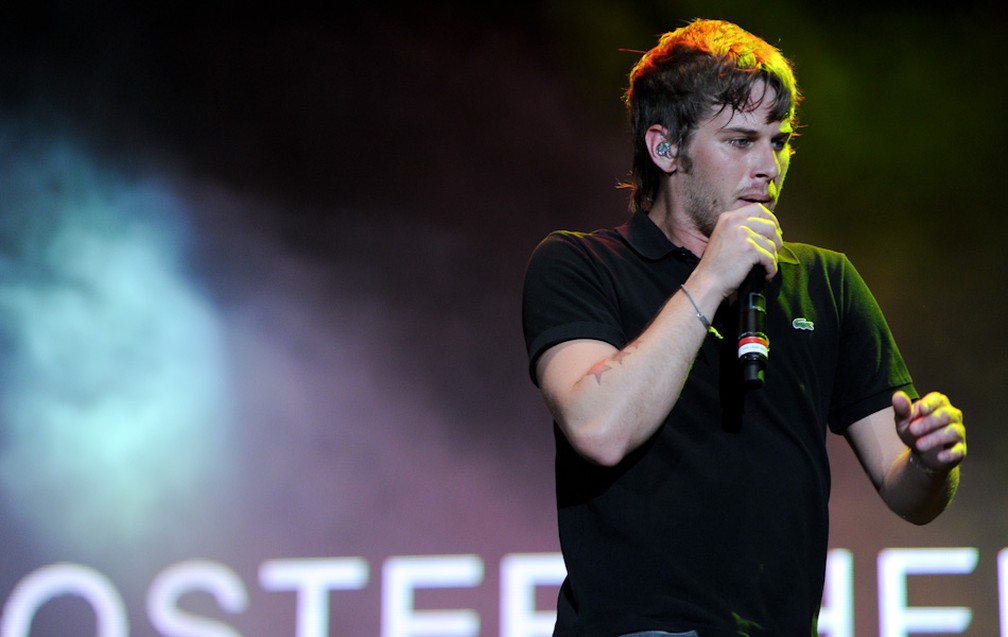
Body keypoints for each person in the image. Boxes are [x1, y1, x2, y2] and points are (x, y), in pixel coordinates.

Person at [521, 18, 967, 637]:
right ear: (665, 148)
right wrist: (711, 280)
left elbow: (908, 496)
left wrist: (930, 464)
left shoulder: (826, 282)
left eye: (778, 141)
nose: (769, 167)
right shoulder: (581, 266)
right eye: (739, 140)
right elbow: (598, 427)